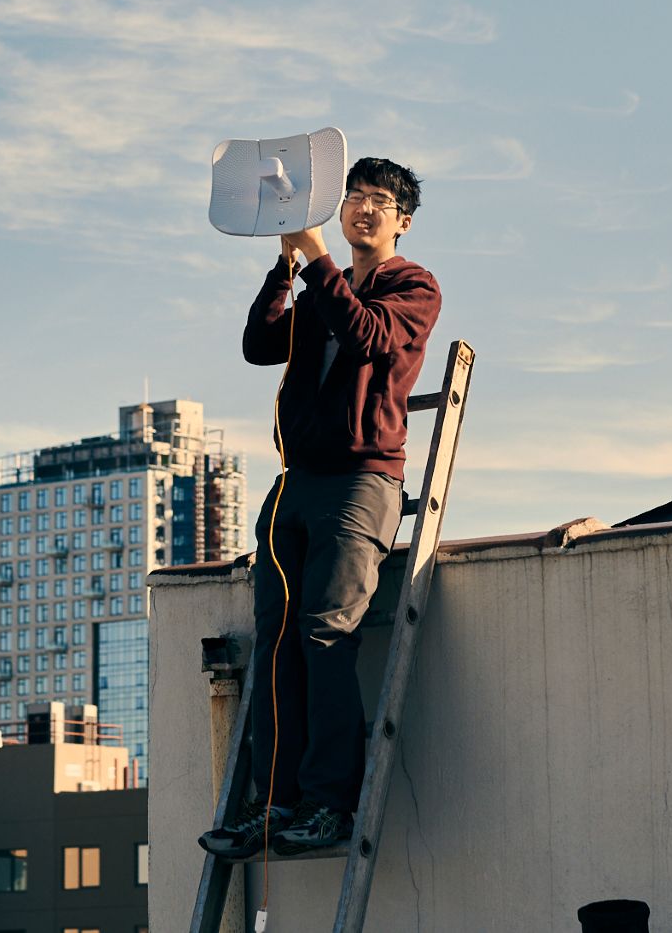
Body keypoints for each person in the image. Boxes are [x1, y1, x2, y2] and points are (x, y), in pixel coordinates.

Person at [198, 156, 441, 859]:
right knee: (277, 642)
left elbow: (367, 335)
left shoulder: (415, 285)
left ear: (403, 220)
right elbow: (257, 344)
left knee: (327, 634)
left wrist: (316, 260)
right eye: (354, 195)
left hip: (361, 480)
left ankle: (329, 802)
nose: (363, 206)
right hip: (296, 480)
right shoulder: (317, 289)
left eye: (379, 199)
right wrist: (284, 267)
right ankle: (274, 802)